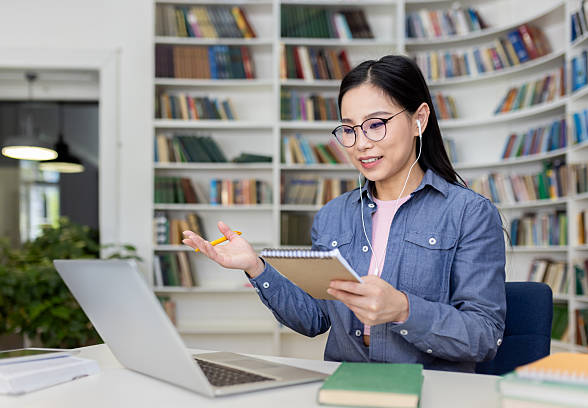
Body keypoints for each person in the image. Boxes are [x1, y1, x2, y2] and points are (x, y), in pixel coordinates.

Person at [182, 55, 506, 372]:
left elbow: (484, 336)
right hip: (344, 385)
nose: (360, 143)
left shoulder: (470, 213)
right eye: (348, 129)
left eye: (376, 125)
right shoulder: (332, 215)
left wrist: (403, 310)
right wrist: (256, 267)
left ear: (419, 120)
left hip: (429, 389)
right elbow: (314, 319)